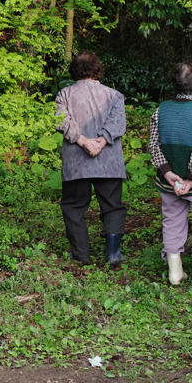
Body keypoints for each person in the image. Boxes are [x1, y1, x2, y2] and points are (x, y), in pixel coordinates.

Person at [148, 59, 192, 287]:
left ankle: (175, 271)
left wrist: (168, 173)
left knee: (172, 221)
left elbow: (153, 146)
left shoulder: (160, 110)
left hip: (169, 183)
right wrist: (190, 179)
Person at [54, 51, 128, 265]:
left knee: (73, 207)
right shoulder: (114, 95)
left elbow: (62, 121)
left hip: (77, 164)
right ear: (98, 70)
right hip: (109, 163)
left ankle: (80, 254)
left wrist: (83, 141)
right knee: (113, 206)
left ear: (74, 71)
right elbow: (118, 123)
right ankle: (113, 254)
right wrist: (102, 141)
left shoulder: (64, 94)